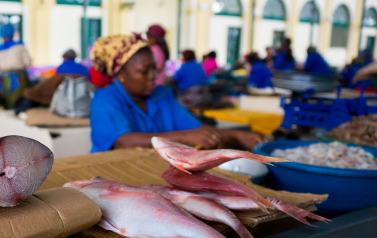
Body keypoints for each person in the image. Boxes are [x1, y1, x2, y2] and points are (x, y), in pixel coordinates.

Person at [89, 34, 263, 153]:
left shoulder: (163, 95)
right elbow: (124, 142)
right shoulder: (105, 99)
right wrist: (184, 137)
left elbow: (197, 131)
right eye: (144, 72)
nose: (152, 77)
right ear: (121, 74)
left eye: (154, 70)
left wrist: (236, 135)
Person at [0, 24, 31, 108]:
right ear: (13, 34)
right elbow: (28, 62)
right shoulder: (20, 46)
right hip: (20, 79)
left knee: (8, 105)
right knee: (21, 104)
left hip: (5, 81)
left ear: (2, 36)